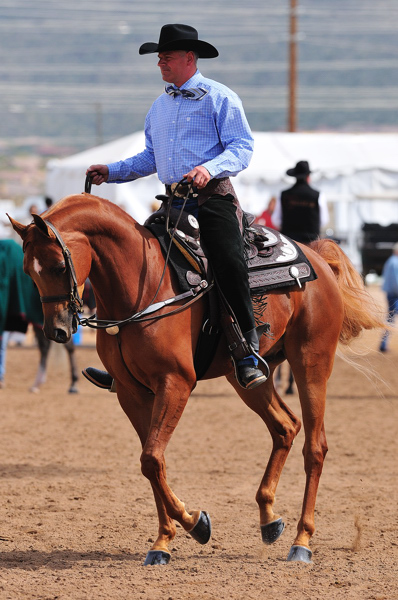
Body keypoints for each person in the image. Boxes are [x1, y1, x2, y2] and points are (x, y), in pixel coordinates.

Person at [84, 23, 266, 390]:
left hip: (212, 199)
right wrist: (112, 171)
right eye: (159, 58)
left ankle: (247, 349)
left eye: (166, 57)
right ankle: (126, 360)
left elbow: (242, 148)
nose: (160, 63)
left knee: (228, 261)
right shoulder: (159, 107)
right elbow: (151, 157)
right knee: (130, 261)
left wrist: (208, 168)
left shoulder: (221, 97)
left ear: (189, 58)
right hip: (171, 204)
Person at [272, 160, 329, 244]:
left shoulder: (284, 194)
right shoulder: (318, 195)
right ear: (308, 176)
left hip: (289, 243)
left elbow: (276, 220)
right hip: (312, 243)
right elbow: (324, 220)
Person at [379, 242, 398, 352]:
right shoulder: (395, 262)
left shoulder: (390, 261)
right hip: (395, 295)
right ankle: (383, 344)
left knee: (390, 319)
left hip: (391, 294)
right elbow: (396, 281)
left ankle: (383, 344)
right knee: (390, 319)